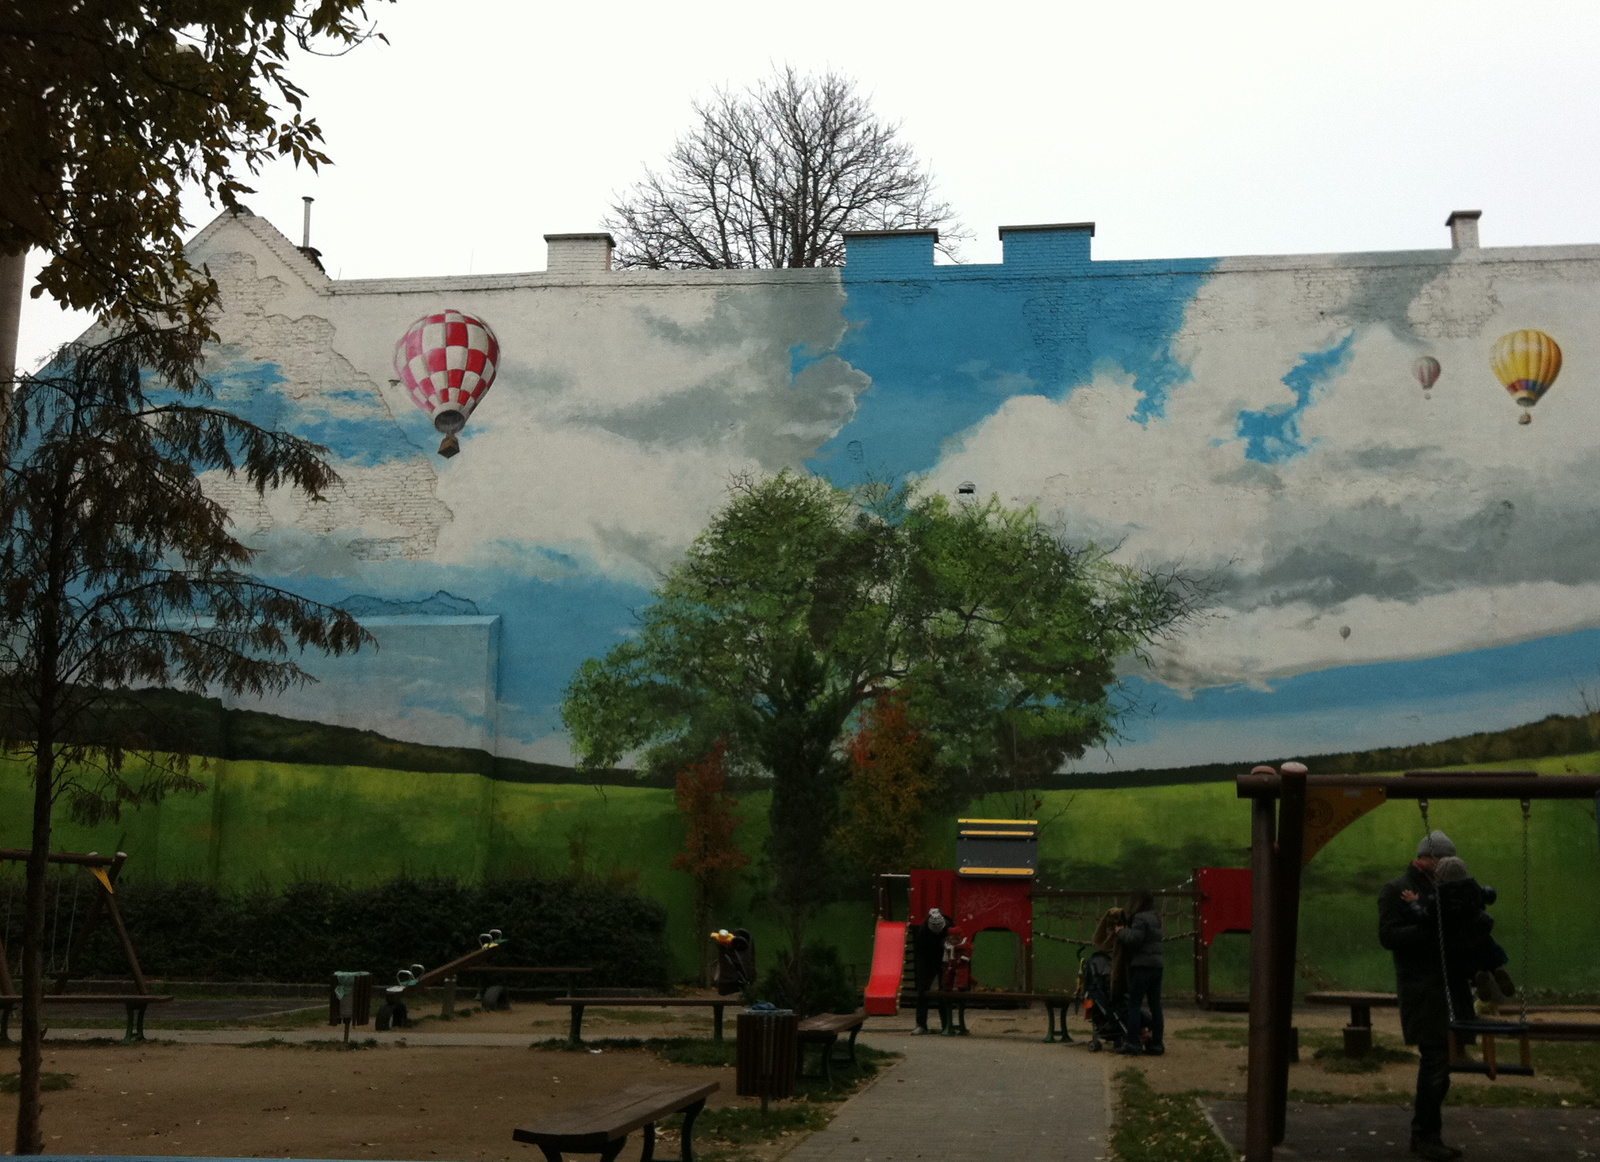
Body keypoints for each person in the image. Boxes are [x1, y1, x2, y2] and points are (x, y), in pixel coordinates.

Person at [1379, 829, 1475, 1162]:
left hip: (1448, 986)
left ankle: (1426, 1134)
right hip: (1423, 988)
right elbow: (1389, 935)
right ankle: (1425, 1136)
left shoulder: (1445, 887)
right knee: (1435, 1063)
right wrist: (1431, 930)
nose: (1448, 865)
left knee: (1442, 1064)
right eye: (1445, 859)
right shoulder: (1396, 890)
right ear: (1428, 858)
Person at [1433, 856, 1516, 1005]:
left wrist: (1414, 904)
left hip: (1458, 936)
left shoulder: (1440, 894)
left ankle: (1477, 976)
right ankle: (1497, 970)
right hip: (1480, 930)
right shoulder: (1473, 887)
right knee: (1488, 952)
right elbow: (1490, 895)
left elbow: (1429, 909)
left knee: (1466, 962)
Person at [1115, 889, 1164, 1056]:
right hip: (1157, 965)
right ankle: (1157, 1044)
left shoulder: (1139, 918)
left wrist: (1121, 931)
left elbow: (1134, 940)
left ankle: (1132, 1042)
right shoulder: (1155, 917)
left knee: (1134, 1005)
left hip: (1142, 965)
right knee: (1156, 1006)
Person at [911, 907, 950, 1034]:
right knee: (923, 990)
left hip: (944, 959)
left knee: (945, 991)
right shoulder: (923, 932)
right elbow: (920, 952)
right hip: (927, 960)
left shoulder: (949, 927)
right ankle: (921, 1024)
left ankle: (946, 1024)